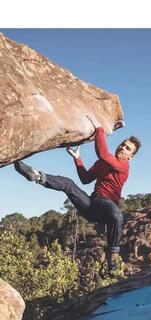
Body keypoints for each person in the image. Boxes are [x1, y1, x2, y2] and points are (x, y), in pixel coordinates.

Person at [13, 116, 141, 274]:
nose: (123, 148)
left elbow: (103, 153)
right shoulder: (103, 163)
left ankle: (112, 257)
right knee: (68, 184)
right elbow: (85, 179)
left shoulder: (123, 166)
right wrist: (77, 159)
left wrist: (99, 128)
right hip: (91, 205)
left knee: (116, 214)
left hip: (107, 208)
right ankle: (37, 176)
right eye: (123, 144)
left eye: (128, 148)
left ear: (131, 156)